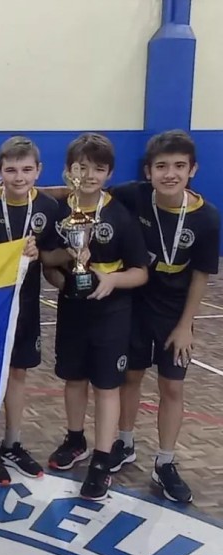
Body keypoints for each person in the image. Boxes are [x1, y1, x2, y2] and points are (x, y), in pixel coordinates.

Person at [108, 130, 220, 503]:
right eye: (161, 166)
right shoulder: (133, 196)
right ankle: (124, 442)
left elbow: (202, 275)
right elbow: (85, 194)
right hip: (137, 302)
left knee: (172, 386)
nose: (169, 173)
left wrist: (186, 324)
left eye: (178, 166)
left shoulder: (207, 217)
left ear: (193, 169)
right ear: (148, 171)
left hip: (174, 311)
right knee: (131, 375)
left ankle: (166, 461)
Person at [44, 133, 149, 501]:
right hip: (73, 310)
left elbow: (141, 271)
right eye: (81, 167)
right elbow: (48, 263)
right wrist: (60, 277)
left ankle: (103, 460)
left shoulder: (119, 214)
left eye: (98, 168)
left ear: (109, 173)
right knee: (74, 380)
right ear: (68, 170)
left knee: (107, 386)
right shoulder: (59, 213)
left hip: (112, 313)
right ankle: (75, 440)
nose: (88, 175)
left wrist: (112, 279)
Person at [0, 137, 63, 484]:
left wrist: (41, 254)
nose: (18, 177)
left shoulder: (47, 207)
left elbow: (57, 255)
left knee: (17, 374)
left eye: (27, 169)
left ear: (38, 171)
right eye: (10, 169)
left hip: (25, 305)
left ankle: (12, 442)